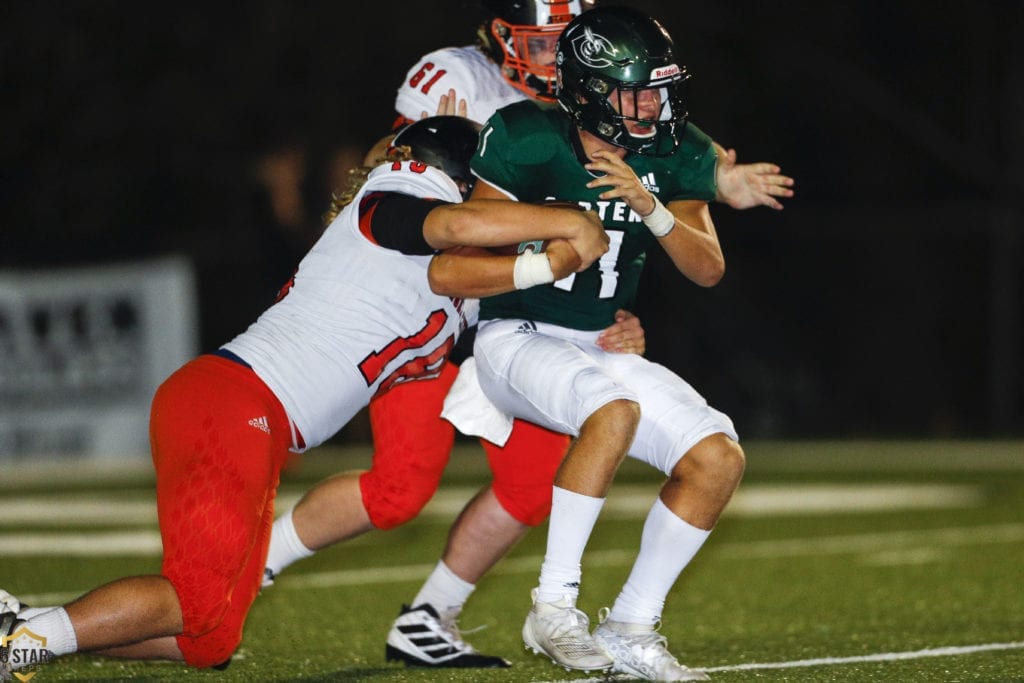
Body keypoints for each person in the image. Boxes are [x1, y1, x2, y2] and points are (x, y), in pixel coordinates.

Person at [263, 0, 792, 671]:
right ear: (507, 40)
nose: (551, 56)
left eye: (562, 44)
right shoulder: (462, 85)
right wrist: (566, 247)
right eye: (542, 44)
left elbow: (688, 178)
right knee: (401, 486)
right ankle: (260, 560)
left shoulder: (624, 116)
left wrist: (707, 189)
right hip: (438, 304)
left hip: (539, 310)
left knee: (536, 483)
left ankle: (429, 614)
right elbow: (402, 174)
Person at [0, 116, 612, 678]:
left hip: (258, 423)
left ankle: (28, 624)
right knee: (192, 599)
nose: (495, 196)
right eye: (486, 182)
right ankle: (21, 642)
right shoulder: (395, 198)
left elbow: (492, 298)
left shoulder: (445, 276)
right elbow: (456, 225)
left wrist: (604, 317)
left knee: (206, 641)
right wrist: (566, 220)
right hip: (234, 401)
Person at [455, 6, 760, 680]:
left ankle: (630, 627)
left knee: (716, 455)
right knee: (609, 410)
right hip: (515, 334)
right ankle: (553, 604)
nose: (654, 104)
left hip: (599, 343)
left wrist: (648, 205)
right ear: (591, 90)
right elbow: (464, 232)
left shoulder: (674, 150)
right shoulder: (528, 136)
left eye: (661, 87)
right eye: (637, 89)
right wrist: (560, 221)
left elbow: (707, 268)